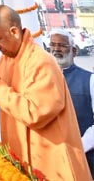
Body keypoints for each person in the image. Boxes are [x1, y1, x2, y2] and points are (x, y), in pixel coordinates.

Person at [0, 5, 92, 181]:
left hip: (52, 163)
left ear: (14, 31)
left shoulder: (42, 62)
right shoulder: (4, 60)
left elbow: (34, 113)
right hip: (22, 159)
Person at [49, 29, 94, 177]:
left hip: (86, 157)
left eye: (62, 45)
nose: (56, 49)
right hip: (53, 158)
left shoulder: (89, 80)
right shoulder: (41, 80)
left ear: (74, 51)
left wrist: (78, 147)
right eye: (53, 45)